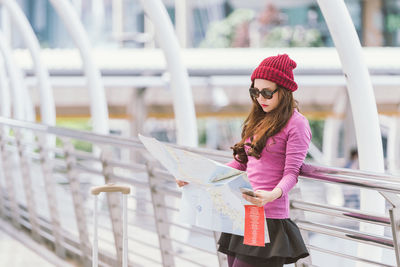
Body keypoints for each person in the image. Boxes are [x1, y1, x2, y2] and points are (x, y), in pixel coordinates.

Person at [176, 54, 311, 267]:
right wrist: (197, 178)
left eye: (267, 92)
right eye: (255, 92)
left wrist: (272, 194)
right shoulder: (260, 120)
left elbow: (292, 173)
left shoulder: (297, 124)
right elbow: (241, 165)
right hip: (242, 213)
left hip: (268, 218)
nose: (260, 98)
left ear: (285, 91)